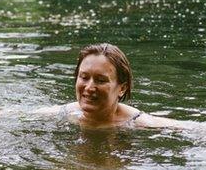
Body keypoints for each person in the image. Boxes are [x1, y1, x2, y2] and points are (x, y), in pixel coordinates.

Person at [37, 43, 193, 130]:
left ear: (122, 88)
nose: (89, 87)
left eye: (100, 80)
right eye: (84, 77)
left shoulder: (137, 122)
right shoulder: (62, 114)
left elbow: (194, 129)